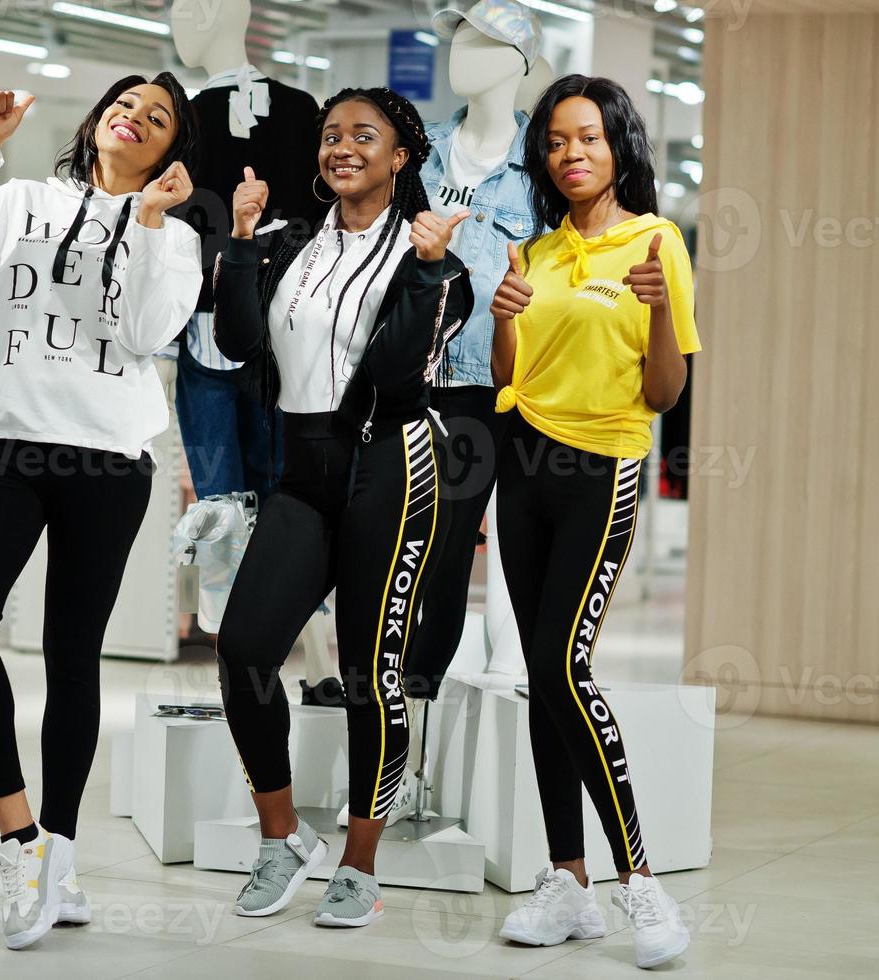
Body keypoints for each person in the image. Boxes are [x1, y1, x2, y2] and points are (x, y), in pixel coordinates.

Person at [0, 74, 201, 951]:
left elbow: (146, 333)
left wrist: (144, 224)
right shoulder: (17, 199)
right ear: (96, 117)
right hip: (6, 444)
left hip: (108, 456)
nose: (133, 118)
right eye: (126, 103)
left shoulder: (174, 239)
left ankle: (60, 855)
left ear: (170, 156)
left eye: (156, 120)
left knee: (74, 653)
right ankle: (19, 839)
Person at [211, 86, 473, 928]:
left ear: (402, 157)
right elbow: (237, 342)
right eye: (330, 135)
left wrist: (430, 271)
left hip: (389, 469)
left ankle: (360, 861)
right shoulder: (288, 243)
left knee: (370, 675)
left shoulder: (434, 258)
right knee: (245, 648)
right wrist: (242, 242)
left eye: (365, 135)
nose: (341, 146)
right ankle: (282, 838)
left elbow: (400, 373)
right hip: (299, 474)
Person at [488, 74, 700, 969]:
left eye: (587, 138)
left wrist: (653, 310)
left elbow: (664, 392)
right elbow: (511, 380)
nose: (570, 154)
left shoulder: (656, 243)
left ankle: (639, 885)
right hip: (521, 465)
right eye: (554, 142)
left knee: (561, 666)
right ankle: (566, 881)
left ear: (618, 145)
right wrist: (501, 321)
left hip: (604, 464)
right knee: (541, 677)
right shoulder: (530, 255)